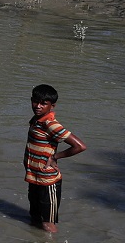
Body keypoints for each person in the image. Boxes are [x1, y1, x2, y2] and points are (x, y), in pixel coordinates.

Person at [23, 83, 86, 233]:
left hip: (48, 181)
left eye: (43, 104)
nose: (38, 106)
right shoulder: (36, 119)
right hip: (34, 178)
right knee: (34, 218)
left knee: (48, 225)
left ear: (52, 106)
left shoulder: (50, 124)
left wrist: (55, 157)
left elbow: (80, 146)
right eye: (35, 101)